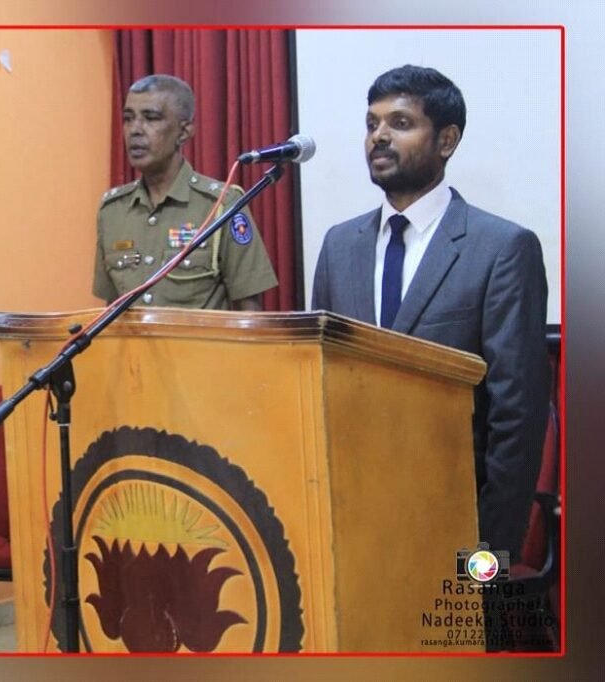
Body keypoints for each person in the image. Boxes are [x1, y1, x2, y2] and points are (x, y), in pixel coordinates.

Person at [312, 65, 550, 563]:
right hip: (354, 525)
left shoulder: (501, 248)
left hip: (457, 523)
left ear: (446, 140)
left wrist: (488, 556)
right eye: (372, 123)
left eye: (400, 123)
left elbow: (516, 415)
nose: (378, 136)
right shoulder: (339, 246)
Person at [93, 74, 278, 310]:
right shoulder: (113, 211)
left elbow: (250, 311)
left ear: (184, 131)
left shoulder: (220, 205)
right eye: (128, 119)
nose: (135, 130)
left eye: (151, 118)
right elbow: (111, 308)